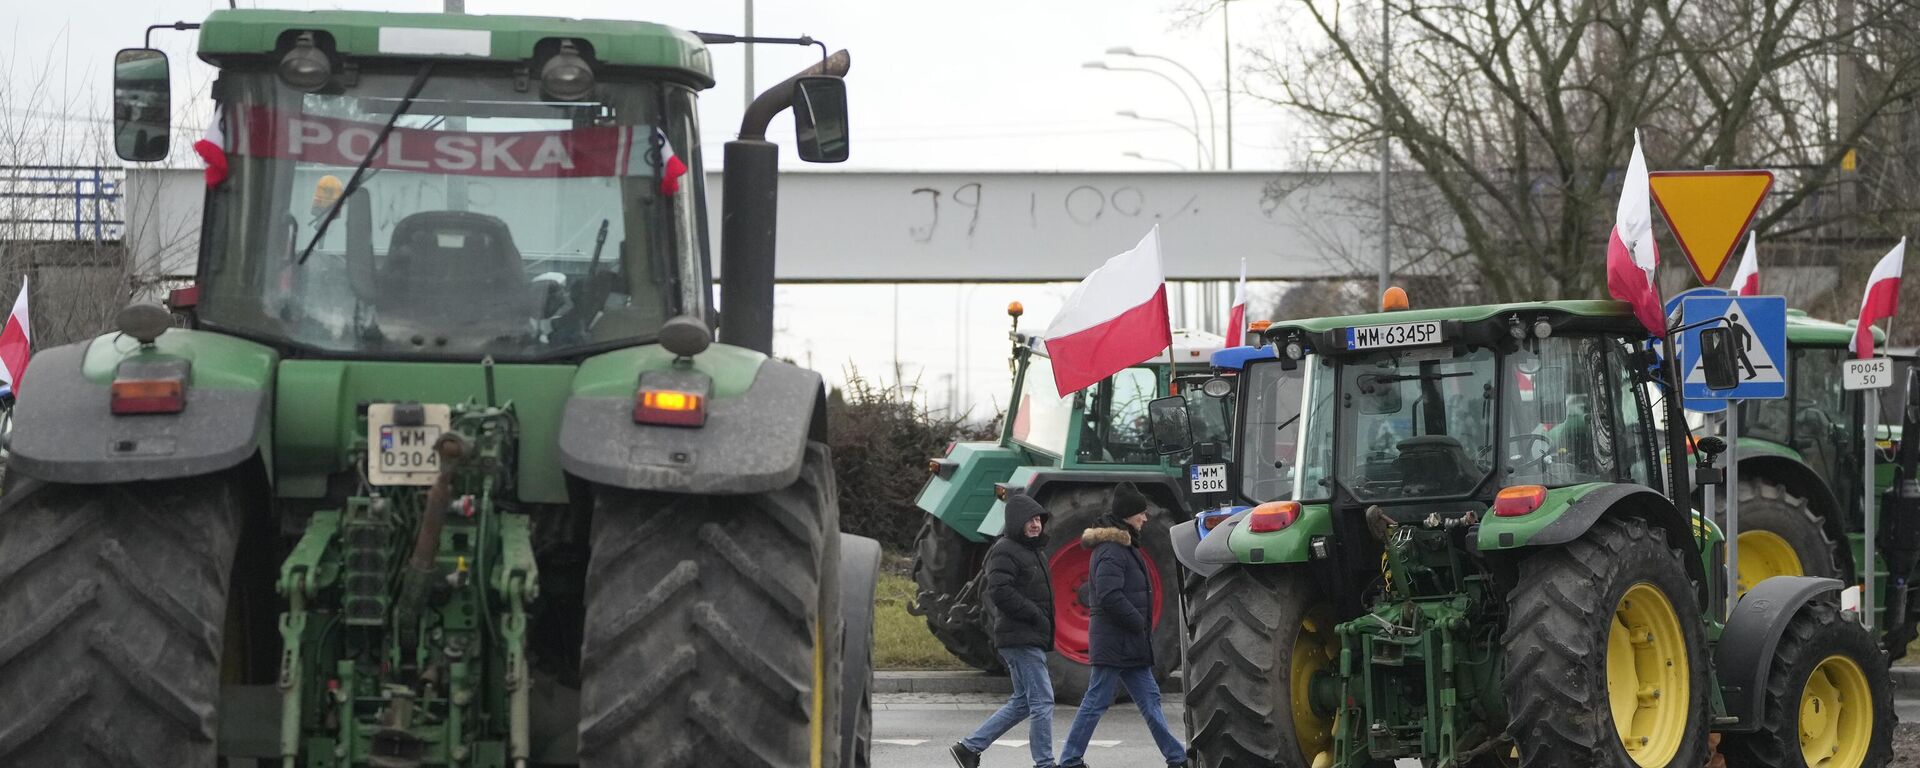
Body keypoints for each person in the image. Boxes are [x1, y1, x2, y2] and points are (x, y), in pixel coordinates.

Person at [1058, 483, 1188, 768]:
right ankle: (1069, 760)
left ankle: (1177, 758)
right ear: (1129, 515)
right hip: (1117, 642)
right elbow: (1108, 595)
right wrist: (1137, 622)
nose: (1145, 518)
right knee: (1096, 702)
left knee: (1151, 700)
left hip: (1127, 643)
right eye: (1141, 513)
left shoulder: (1125, 547)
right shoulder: (1112, 551)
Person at [951, 494, 1057, 768]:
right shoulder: (1005, 549)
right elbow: (999, 591)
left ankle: (968, 748)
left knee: (1023, 701)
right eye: (1029, 520)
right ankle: (1045, 763)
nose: (1035, 525)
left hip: (1027, 635)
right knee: (1042, 701)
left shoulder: (1034, 551)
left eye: (1038, 519)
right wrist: (1035, 615)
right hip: (1019, 636)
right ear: (1016, 522)